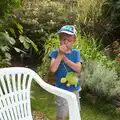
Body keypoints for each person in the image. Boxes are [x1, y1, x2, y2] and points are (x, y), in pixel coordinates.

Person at [49, 25, 82, 120]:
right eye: (63, 39)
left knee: (75, 111)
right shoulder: (55, 53)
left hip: (74, 88)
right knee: (61, 114)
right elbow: (53, 69)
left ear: (74, 41)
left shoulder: (76, 53)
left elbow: (78, 69)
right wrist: (60, 55)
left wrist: (66, 59)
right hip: (61, 89)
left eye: (69, 40)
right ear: (60, 39)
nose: (66, 42)